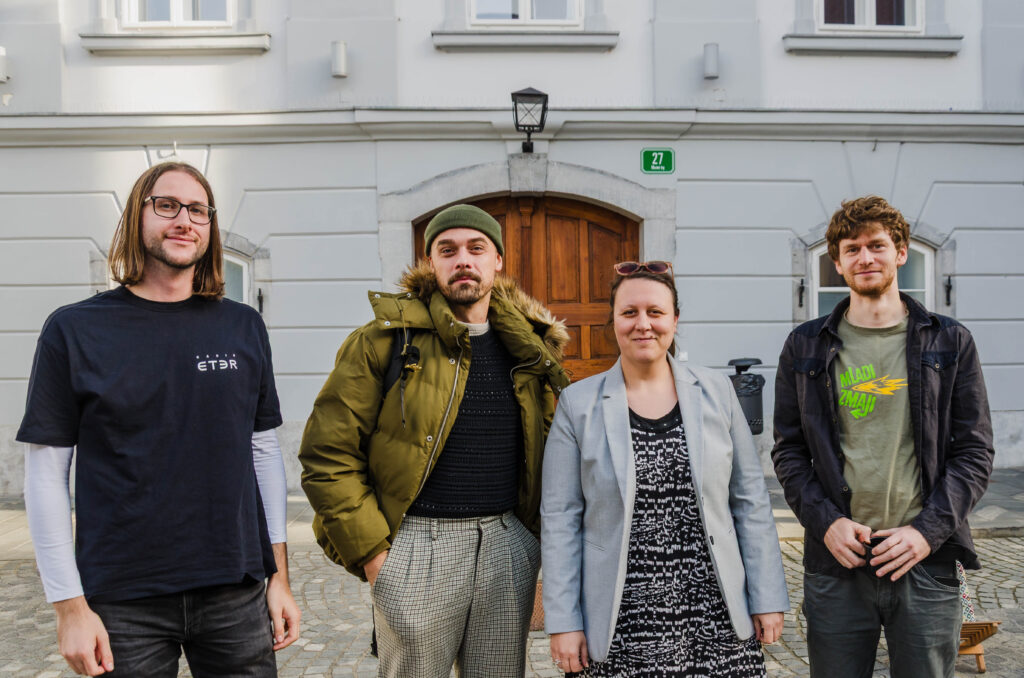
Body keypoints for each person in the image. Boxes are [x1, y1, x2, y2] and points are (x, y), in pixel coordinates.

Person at [18, 162, 300, 677]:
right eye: (166, 205)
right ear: (137, 217)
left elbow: (263, 454)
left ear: (210, 227)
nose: (183, 220)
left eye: (197, 210)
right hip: (123, 601)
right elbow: (44, 476)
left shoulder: (243, 326)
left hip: (234, 593)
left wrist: (278, 577)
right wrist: (69, 608)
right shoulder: (74, 330)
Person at [299, 203, 570, 677]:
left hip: (508, 543)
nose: (462, 259)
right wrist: (376, 559)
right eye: (447, 250)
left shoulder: (530, 349)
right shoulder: (382, 341)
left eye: (476, 248)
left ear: (497, 261)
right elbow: (327, 455)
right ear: (431, 263)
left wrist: (533, 541)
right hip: (415, 546)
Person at [772, 196, 995, 678]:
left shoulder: (950, 342)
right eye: (851, 249)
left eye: (876, 245)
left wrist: (925, 532)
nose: (865, 258)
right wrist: (826, 523)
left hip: (924, 559)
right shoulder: (804, 345)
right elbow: (789, 452)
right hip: (838, 559)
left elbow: (974, 452)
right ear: (837, 262)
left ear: (901, 251)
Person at [541, 260, 789, 676]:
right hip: (620, 619)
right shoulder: (577, 405)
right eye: (629, 313)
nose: (643, 324)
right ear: (613, 321)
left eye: (655, 312)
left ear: (675, 319)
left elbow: (750, 502)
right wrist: (565, 622)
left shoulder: (716, 393)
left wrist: (766, 597)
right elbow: (561, 518)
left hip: (716, 613)